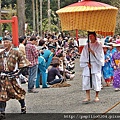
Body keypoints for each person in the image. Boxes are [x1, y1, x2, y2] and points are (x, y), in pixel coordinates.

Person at [0, 37, 30, 118]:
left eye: (6, 42)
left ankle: (23, 106)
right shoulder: (1, 54)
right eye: (4, 42)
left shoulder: (16, 53)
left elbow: (24, 64)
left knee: (18, 92)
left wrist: (18, 73)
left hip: (13, 76)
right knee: (2, 95)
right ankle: (2, 112)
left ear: (10, 43)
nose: (4, 44)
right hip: (3, 77)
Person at [80, 32, 104, 102]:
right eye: (89, 36)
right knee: (86, 79)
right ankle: (88, 96)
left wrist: (92, 51)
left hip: (95, 63)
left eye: (91, 36)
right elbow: (84, 55)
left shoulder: (98, 45)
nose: (90, 38)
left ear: (95, 36)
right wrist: (87, 62)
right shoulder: (86, 46)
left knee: (96, 79)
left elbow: (100, 55)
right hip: (88, 64)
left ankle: (96, 95)